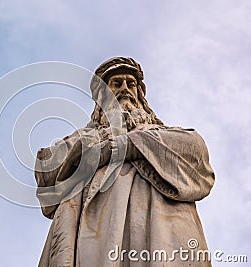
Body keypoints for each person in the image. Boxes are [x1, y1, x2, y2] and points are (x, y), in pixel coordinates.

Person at [35, 57, 215, 266]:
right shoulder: (82, 139)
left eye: (131, 84)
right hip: (94, 227)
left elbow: (197, 153)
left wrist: (124, 146)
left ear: (140, 94)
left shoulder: (161, 133)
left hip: (159, 224)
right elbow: (46, 170)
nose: (125, 89)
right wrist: (95, 145)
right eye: (116, 83)